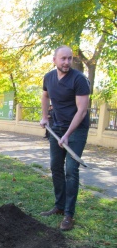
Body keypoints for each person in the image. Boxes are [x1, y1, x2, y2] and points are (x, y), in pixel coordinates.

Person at [40, 45, 90, 231]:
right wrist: (45, 117)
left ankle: (69, 214)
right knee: (55, 166)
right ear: (54, 60)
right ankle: (59, 206)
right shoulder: (49, 77)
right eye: (63, 58)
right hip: (57, 127)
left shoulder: (79, 79)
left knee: (71, 169)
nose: (67, 62)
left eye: (69, 58)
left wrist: (67, 135)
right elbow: (45, 96)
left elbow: (82, 110)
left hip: (76, 129)